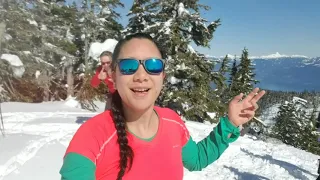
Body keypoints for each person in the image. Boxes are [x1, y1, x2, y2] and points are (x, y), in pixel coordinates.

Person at [59, 33, 266, 180]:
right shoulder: (92, 136)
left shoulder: (172, 122)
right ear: (114, 75)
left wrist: (230, 123)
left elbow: (197, 159)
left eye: (153, 65)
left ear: (162, 77)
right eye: (129, 66)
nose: (141, 76)